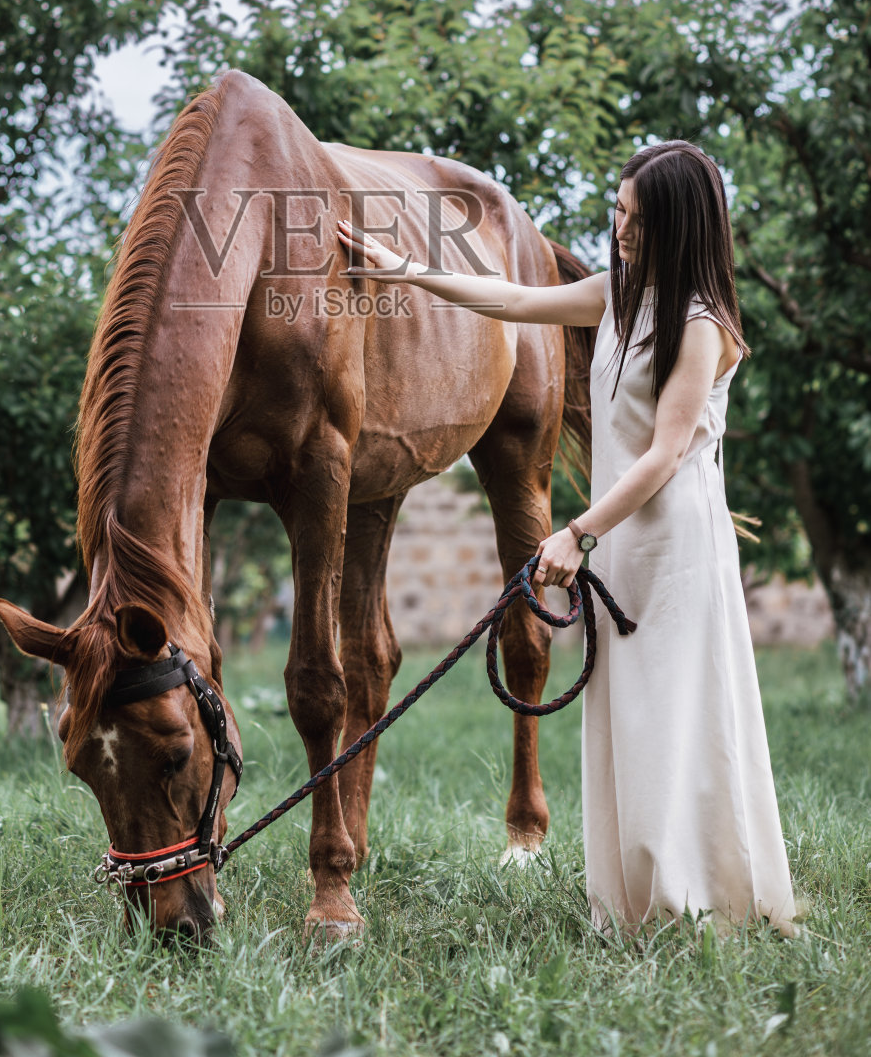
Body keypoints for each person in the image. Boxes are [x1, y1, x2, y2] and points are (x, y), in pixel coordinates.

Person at [336, 140, 796, 938]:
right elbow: (510, 301)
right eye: (616, 212)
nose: (618, 231)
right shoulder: (621, 297)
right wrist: (405, 268)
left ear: (678, 226)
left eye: (635, 220)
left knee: (675, 717)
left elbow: (664, 451)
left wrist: (574, 534)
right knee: (628, 717)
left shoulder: (699, 326)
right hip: (620, 540)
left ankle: (695, 901)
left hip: (670, 544)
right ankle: (632, 902)